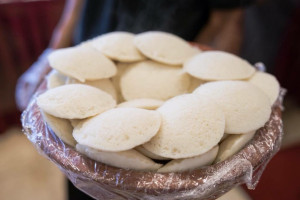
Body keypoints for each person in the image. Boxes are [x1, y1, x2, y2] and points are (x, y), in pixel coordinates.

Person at [15, 0, 251, 199]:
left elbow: (225, 21)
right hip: (89, 61)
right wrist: (53, 54)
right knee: (86, 172)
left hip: (172, 70)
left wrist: (206, 77)